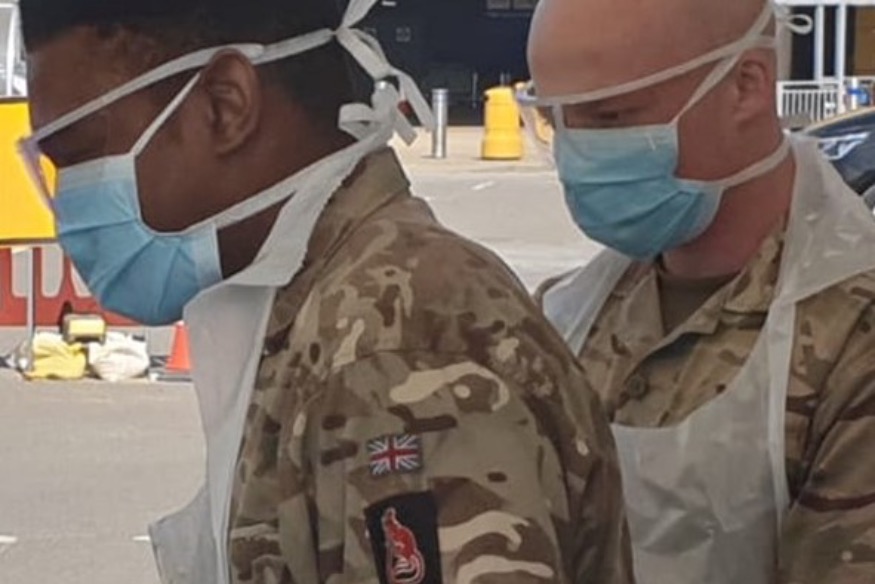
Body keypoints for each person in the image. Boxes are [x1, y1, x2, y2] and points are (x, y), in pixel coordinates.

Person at [19, 0, 634, 582]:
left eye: (81, 154)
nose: (69, 201)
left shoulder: (398, 350)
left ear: (225, 107)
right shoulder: (316, 304)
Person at [528, 0, 875, 582]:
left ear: (746, 85)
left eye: (611, 118)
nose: (576, 153)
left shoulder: (850, 332)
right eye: (554, 121)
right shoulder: (568, 313)